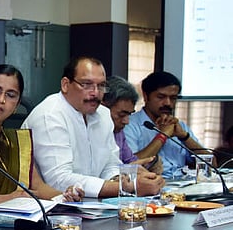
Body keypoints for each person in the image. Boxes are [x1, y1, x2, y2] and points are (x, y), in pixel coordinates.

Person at [21, 56, 165, 198]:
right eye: (87, 84)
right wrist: (127, 188)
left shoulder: (103, 114)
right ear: (66, 85)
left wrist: (123, 179)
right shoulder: (50, 115)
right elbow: (58, 180)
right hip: (50, 208)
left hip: (91, 206)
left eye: (101, 86)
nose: (95, 93)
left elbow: (110, 166)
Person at [0, 64, 83, 208]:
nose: (1, 99)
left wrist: (64, 196)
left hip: (14, 222)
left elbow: (38, 188)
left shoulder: (15, 142)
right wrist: (9, 199)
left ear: (17, 105)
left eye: (10, 95)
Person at [124, 71, 210, 179]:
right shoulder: (129, 125)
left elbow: (211, 165)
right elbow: (130, 166)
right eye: (161, 97)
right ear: (146, 96)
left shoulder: (179, 126)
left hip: (184, 186)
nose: (168, 103)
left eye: (173, 98)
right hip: (151, 187)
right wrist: (163, 135)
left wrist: (184, 136)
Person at [101, 75, 162, 172]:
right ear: (103, 108)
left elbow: (129, 161)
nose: (126, 121)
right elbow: (100, 174)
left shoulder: (118, 132)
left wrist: (147, 164)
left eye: (129, 114)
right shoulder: (89, 131)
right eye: (121, 115)